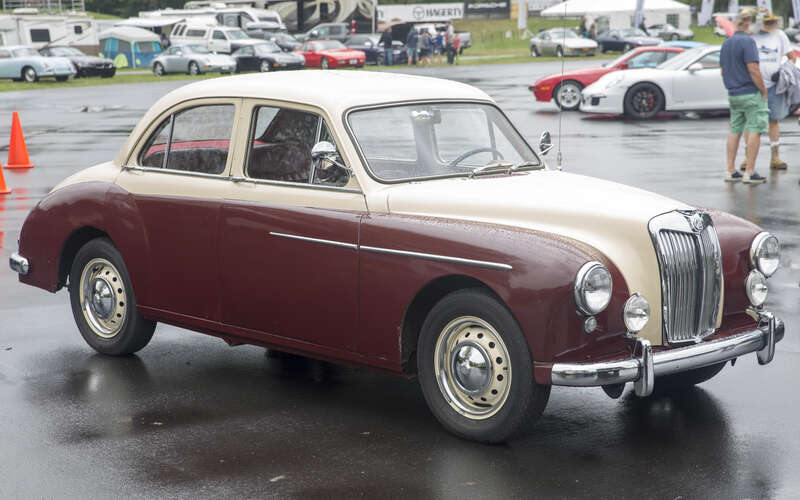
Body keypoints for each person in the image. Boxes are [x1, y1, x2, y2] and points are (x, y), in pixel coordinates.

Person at [720, 8, 769, 184]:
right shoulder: (748, 42)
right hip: (750, 93)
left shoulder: (727, 42)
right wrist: (763, 90)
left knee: (734, 130)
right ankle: (749, 171)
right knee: (755, 129)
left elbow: (722, 70)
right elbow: (753, 69)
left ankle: (730, 169)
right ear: (748, 22)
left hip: (733, 93)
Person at [745, 12, 796, 170]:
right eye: (766, 23)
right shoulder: (752, 36)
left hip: (774, 86)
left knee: (774, 120)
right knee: (751, 121)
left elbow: (791, 56)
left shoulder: (780, 35)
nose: (769, 26)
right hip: (753, 85)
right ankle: (748, 158)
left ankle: (775, 157)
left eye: (772, 22)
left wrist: (783, 71)